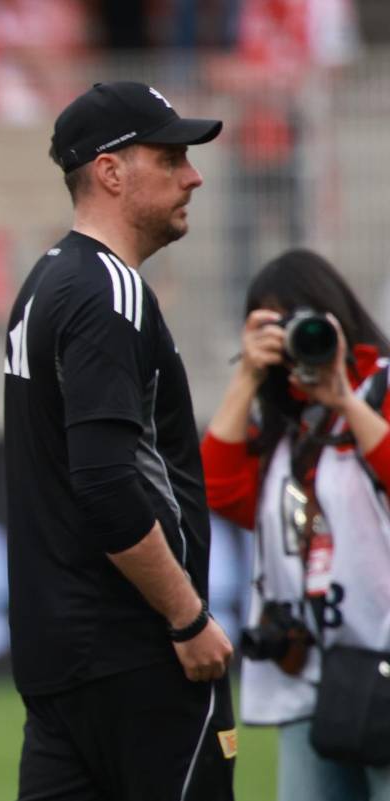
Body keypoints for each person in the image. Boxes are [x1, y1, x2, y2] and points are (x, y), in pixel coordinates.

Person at [2, 80, 236, 801]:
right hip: (138, 652)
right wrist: (187, 616)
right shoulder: (111, 294)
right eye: (170, 158)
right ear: (110, 171)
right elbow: (107, 484)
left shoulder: (46, 281)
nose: (192, 175)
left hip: (60, 657)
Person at [202, 249, 390, 801]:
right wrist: (248, 376)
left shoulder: (378, 388)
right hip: (313, 673)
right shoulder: (287, 426)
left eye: (303, 322)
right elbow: (220, 490)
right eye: (274, 328)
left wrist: (343, 399)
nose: (294, 339)